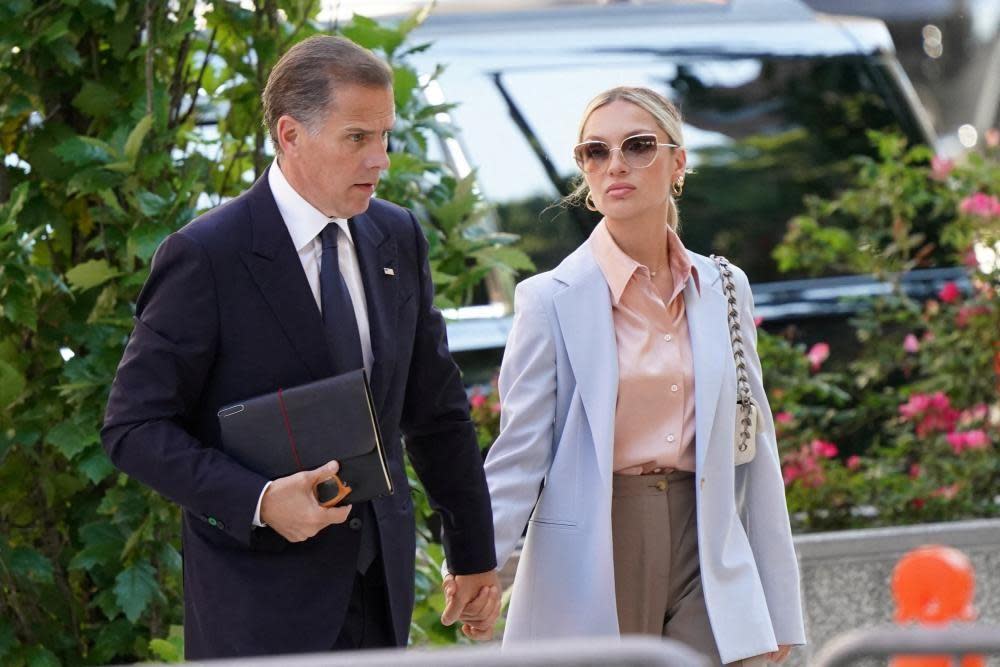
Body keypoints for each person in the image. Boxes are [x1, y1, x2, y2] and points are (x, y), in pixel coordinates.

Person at [102, 35, 500, 659]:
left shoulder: (396, 236)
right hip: (259, 603)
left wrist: (474, 554)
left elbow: (437, 408)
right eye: (357, 138)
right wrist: (258, 502)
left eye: (385, 136)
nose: (381, 160)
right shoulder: (208, 256)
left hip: (381, 591)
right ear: (290, 135)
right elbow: (133, 427)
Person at [457, 86, 806, 665]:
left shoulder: (725, 286)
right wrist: (476, 562)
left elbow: (754, 446)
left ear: (677, 164)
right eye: (594, 152)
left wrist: (778, 602)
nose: (615, 163)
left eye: (638, 145)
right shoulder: (548, 299)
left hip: (707, 540)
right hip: (600, 544)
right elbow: (520, 452)